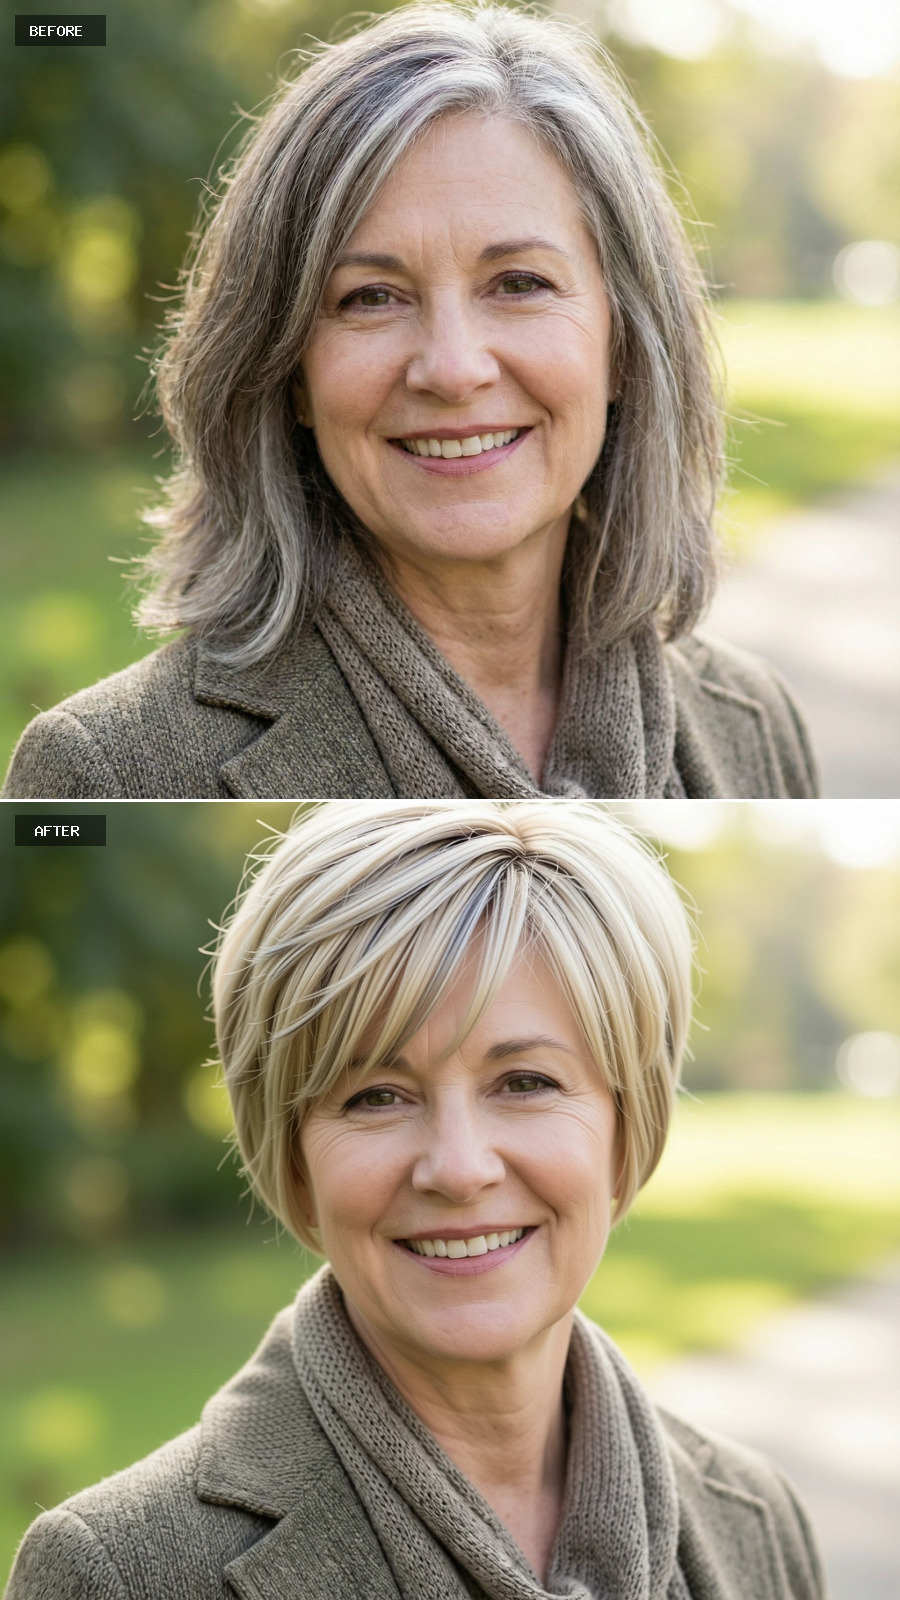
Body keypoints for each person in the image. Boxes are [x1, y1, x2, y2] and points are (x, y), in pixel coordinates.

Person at [6, 800, 827, 1599]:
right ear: (294, 1159)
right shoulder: (114, 1575)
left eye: (526, 1082)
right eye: (376, 1096)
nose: (459, 1168)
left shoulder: (756, 1521)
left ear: (626, 1128)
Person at [3, 5, 818, 802]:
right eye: (371, 298)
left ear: (626, 346)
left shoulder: (754, 722)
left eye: (520, 283)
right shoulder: (105, 770)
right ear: (288, 372)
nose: (453, 368)